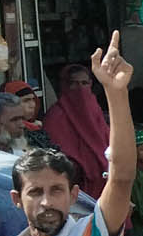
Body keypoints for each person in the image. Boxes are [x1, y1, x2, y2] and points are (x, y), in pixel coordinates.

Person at [0, 34, 136, 236]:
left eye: (57, 190)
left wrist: (116, 93)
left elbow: (121, 176)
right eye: (35, 192)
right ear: (17, 200)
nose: (47, 202)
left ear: (74, 196)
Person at [41, 64, 109, 196]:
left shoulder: (95, 111)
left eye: (84, 83)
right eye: (74, 83)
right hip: (75, 191)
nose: (80, 88)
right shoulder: (55, 117)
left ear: (90, 84)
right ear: (65, 86)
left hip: (106, 186)